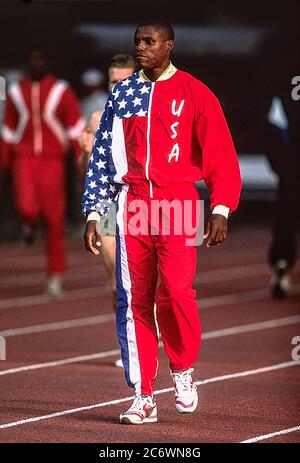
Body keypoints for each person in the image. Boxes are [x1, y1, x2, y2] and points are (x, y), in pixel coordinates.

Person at [82, 22, 241, 424]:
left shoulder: (195, 92)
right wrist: (94, 211)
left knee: (176, 292)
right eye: (137, 41)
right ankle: (144, 394)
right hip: (133, 203)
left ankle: (183, 370)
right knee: (134, 300)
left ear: (169, 46)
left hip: (179, 201)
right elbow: (104, 155)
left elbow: (221, 152)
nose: (141, 47)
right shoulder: (123, 93)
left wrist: (221, 207)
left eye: (149, 41)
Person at [1, 50, 84, 298]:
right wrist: (4, 163)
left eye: (40, 60)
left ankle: (55, 276)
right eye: (32, 60)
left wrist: (81, 157)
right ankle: (28, 223)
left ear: (47, 63)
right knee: (26, 206)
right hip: (24, 158)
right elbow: (8, 129)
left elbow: (75, 124)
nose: (35, 64)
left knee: (54, 220)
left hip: (52, 160)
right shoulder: (16, 91)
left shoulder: (61, 90)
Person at [79, 54, 137, 368]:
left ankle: (147, 328)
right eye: (113, 81)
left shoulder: (147, 114)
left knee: (148, 280)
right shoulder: (98, 117)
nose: (118, 86)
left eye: (123, 81)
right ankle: (130, 344)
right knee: (119, 278)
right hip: (110, 205)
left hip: (143, 200)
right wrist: (85, 152)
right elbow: (84, 170)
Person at [261, 28, 300, 298]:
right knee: (286, 218)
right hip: (290, 169)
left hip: (290, 171)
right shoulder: (284, 87)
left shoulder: (283, 86)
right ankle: (282, 267)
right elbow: (274, 130)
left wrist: (280, 166)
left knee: (286, 218)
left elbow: (273, 131)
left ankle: (282, 267)